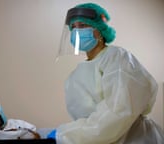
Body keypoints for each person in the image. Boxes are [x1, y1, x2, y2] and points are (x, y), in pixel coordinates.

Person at [47, 3, 164, 144]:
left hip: (135, 138)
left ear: (99, 30)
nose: (76, 31)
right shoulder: (76, 75)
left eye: (83, 26)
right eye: (73, 27)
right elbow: (89, 120)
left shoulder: (116, 58)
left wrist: (65, 135)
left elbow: (119, 112)